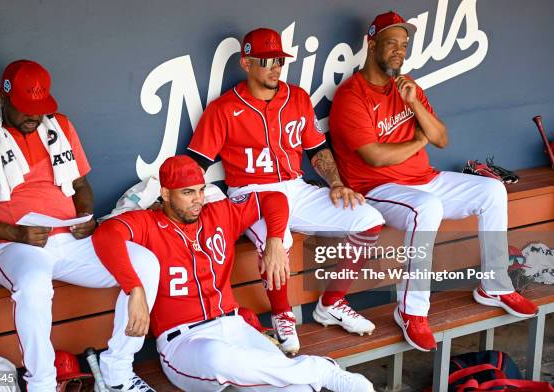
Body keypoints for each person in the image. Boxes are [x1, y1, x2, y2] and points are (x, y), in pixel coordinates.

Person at [328, 12, 538, 352]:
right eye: (391, 43)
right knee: (427, 207)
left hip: (424, 178)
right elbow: (376, 157)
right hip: (377, 189)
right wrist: (417, 141)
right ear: (371, 44)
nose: (399, 50)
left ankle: (495, 286)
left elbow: (441, 137)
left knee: (491, 190)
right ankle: (411, 311)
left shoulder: (408, 86)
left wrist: (414, 104)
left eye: (404, 45)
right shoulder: (351, 95)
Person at [0, 60, 159, 392]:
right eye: (26, 108)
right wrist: (17, 233)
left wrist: (86, 216)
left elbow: (82, 187)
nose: (34, 116)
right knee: (33, 283)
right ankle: (42, 384)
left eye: (39, 107)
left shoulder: (58, 127)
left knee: (145, 264)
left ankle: (118, 372)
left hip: (70, 239)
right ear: (5, 99)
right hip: (16, 245)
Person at [92, 155, 375, 392]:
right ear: (165, 194)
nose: (197, 200)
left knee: (296, 389)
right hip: (186, 343)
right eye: (187, 193)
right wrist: (135, 289)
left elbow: (274, 198)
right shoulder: (147, 223)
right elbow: (106, 235)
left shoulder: (218, 214)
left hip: (236, 327)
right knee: (220, 358)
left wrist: (275, 240)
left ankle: (313, 371)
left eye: (200, 190)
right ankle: (318, 368)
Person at [187, 28, 385, 354]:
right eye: (266, 61)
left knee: (369, 219)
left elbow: (317, 150)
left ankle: (332, 303)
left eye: (279, 59)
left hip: (294, 187)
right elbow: (195, 164)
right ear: (246, 62)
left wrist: (336, 182)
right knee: (279, 241)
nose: (275, 67)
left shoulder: (297, 98)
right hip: (250, 192)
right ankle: (282, 314)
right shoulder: (223, 109)